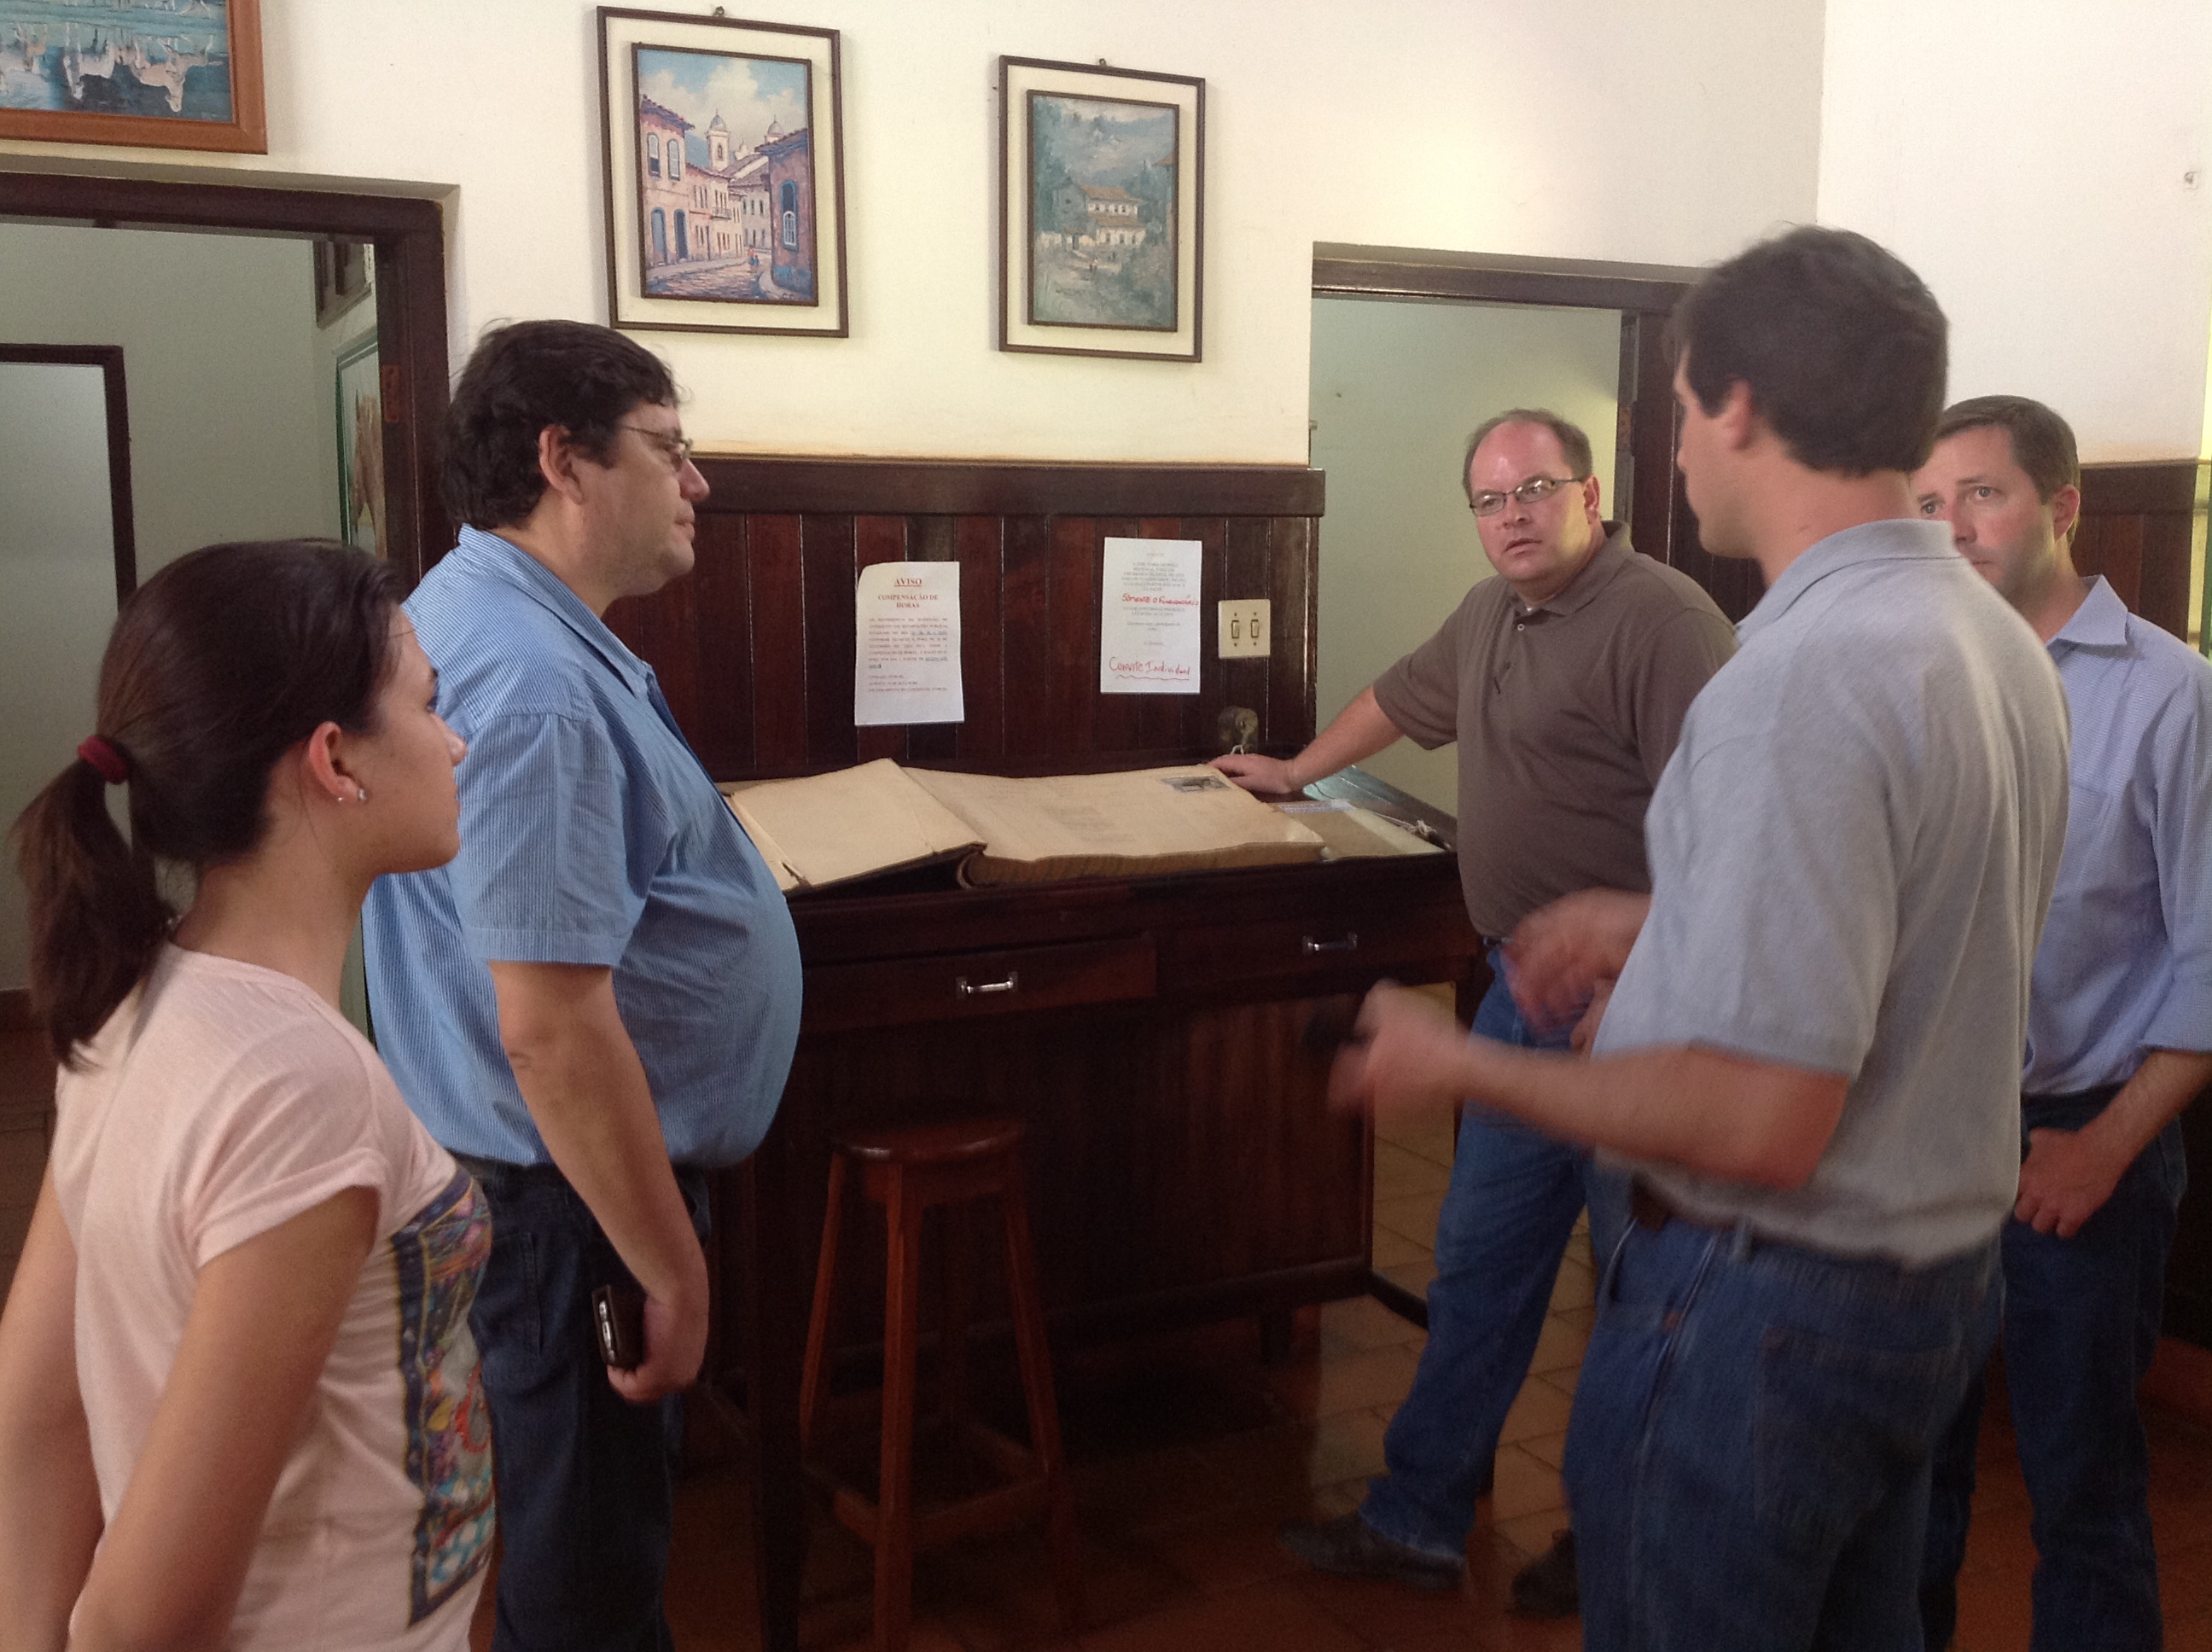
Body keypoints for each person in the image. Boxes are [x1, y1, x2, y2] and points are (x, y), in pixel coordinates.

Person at [1331, 225, 2073, 1649]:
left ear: (1738, 406)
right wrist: (1657, 918)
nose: (1672, 449)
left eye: (1676, 410)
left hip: (1767, 1310)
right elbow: (1904, 919)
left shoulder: (1798, 676)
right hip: (1928, 1290)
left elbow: (1759, 1118)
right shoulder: (1986, 640)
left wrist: (1464, 1063)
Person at [1215, 408, 1735, 1600]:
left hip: (1633, 1014)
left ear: (1589, 495)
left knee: (1638, 1293)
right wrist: (1295, 771)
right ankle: (1421, 1522)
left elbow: (1727, 839)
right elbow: (1400, 698)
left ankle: (1617, 1545)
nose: (1512, 518)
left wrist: (1641, 979)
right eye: (1491, 501)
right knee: (1479, 1266)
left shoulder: (1665, 623)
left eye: (1534, 491)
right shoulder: (1492, 611)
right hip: (1516, 997)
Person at [363, 320, 803, 1649]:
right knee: (588, 1594)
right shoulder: (533, 681)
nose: (697, 481)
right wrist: (673, 1266)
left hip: (555, 1192)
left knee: (576, 1556)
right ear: (565, 461)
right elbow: (551, 1029)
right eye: (669, 448)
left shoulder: (484, 616)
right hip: (572, 1210)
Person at [0, 540, 489, 1649]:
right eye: (427, 704)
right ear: (335, 760)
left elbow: (38, 1412)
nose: (454, 740)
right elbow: (145, 1614)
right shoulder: (301, 1089)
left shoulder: (136, 999)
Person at [1912, 396, 2212, 1651]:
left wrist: (2104, 1149)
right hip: (1932, 1138)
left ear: (2065, 506)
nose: (1952, 528)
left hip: (2085, 1139)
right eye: (1928, 504)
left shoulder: (2172, 697)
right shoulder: (1924, 669)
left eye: (1982, 494)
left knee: (2080, 1483)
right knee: (1912, 1479)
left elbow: (2208, 956)